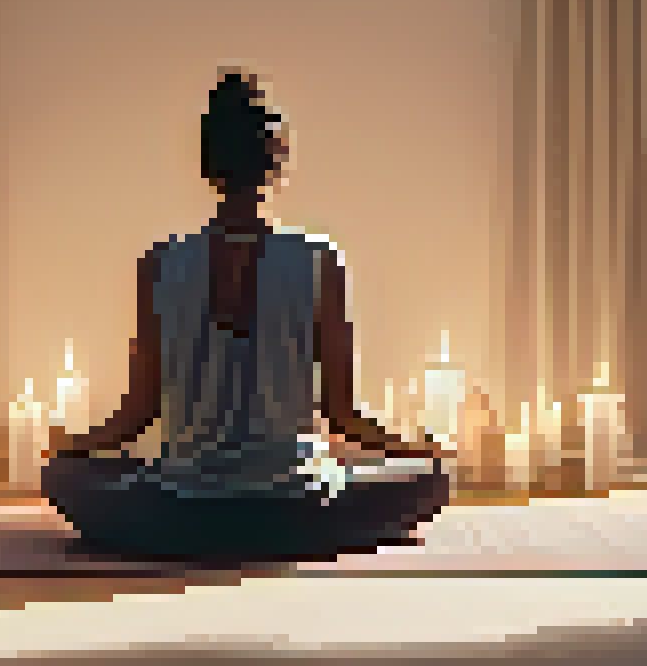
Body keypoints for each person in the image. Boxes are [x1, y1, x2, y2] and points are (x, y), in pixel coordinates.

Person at [40, 70, 452, 561]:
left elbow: (136, 417)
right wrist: (418, 447)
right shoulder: (318, 259)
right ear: (275, 161)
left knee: (63, 476)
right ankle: (275, 536)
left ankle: (193, 536)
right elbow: (344, 417)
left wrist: (70, 445)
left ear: (207, 165)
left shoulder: (161, 262)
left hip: (180, 510)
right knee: (431, 479)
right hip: (296, 509)